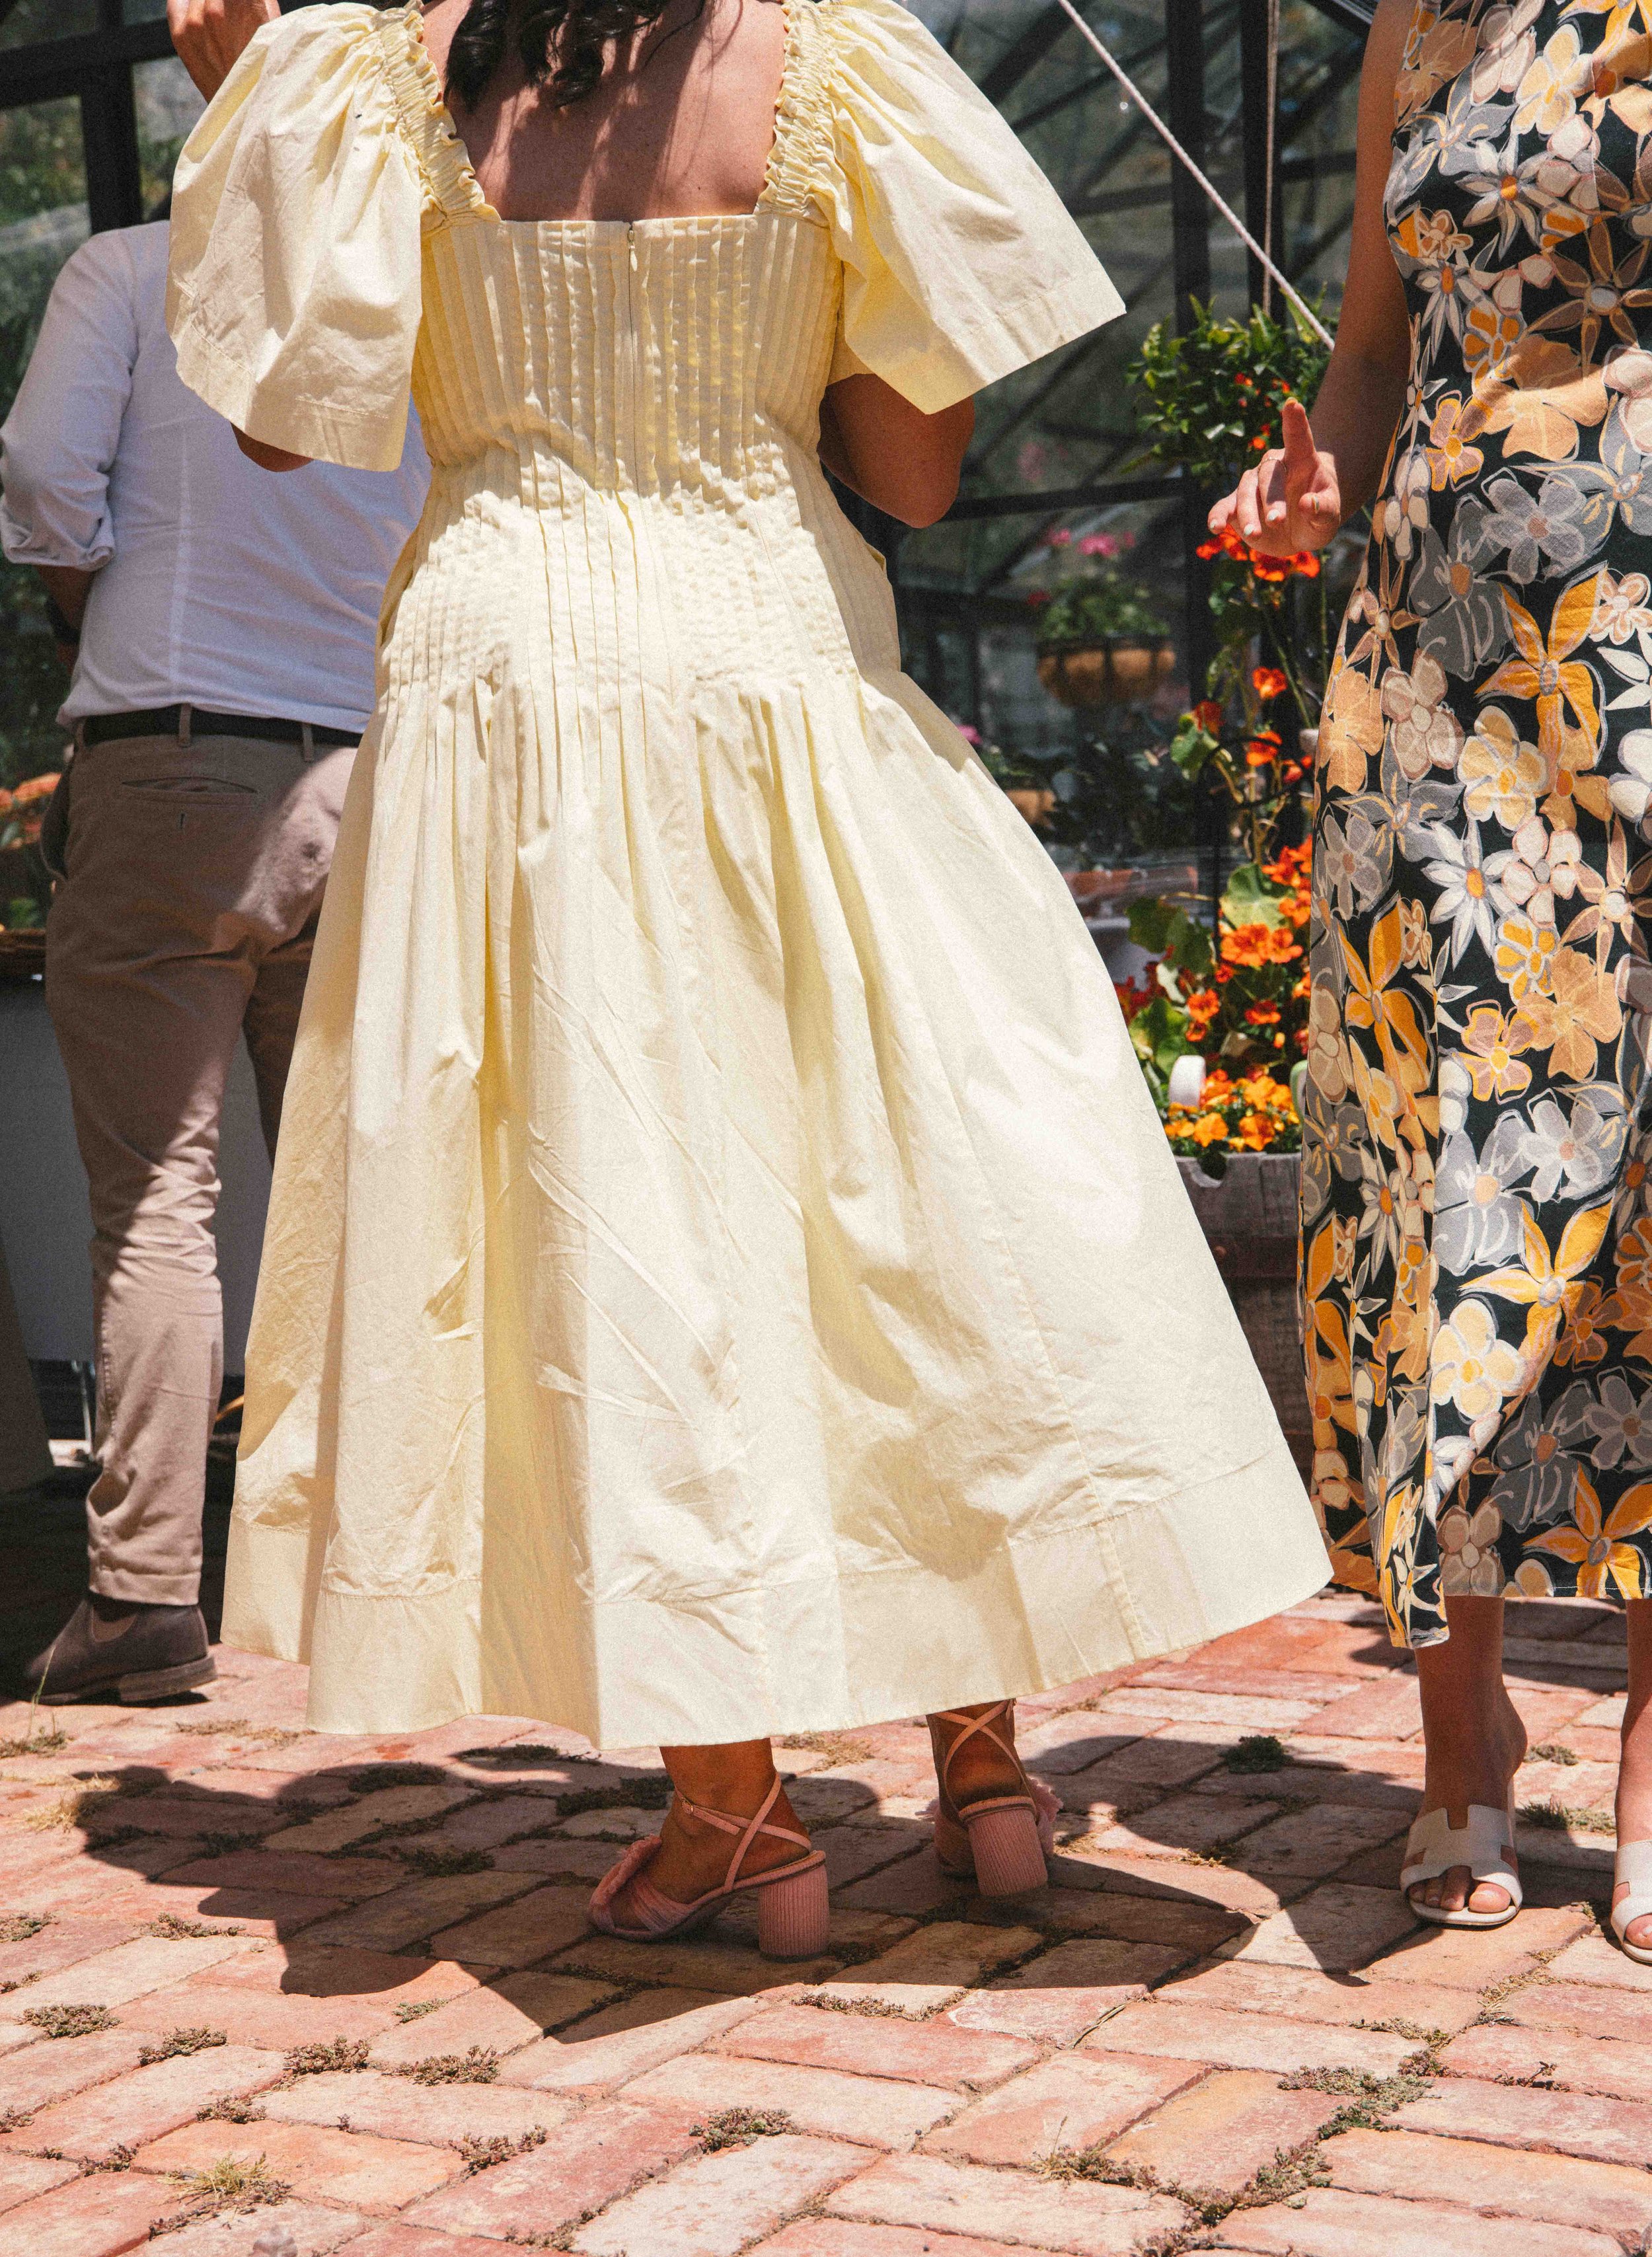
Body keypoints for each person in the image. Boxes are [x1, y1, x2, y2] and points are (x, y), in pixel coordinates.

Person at [163, 0, 1330, 1957]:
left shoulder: (374, 71)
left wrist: (238, 112)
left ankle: (738, 1808)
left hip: (507, 693)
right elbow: (917, 464)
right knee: (874, 1179)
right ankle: (983, 1767)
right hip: (768, 660)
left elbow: (293, 418)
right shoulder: (833, 67)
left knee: (616, 1204)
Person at [1213, 0, 1652, 1955]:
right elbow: (1375, 349)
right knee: (1437, 1152)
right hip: (1434, 667)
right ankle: (1456, 1714)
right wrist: (1314, 483)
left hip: (1633, 632)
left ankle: (1651, 1729)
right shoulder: (1421, 17)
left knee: (1636, 1169)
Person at [0, 205, 428, 1707]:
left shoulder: (129, 267)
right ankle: (379, 1577)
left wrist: (95, 611)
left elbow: (47, 477)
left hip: (175, 757)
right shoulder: (415, 275)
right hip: (375, 773)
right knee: (360, 1192)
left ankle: (141, 1603)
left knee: (156, 1206)